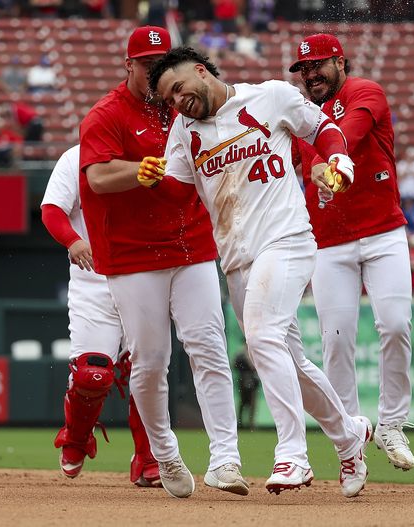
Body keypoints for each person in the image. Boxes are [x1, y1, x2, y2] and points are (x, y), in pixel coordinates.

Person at [145, 46, 372, 498]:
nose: (177, 101)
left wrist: (337, 159)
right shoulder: (183, 132)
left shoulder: (269, 96)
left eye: (178, 88)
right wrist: (151, 178)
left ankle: (293, 454)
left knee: (262, 338)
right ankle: (349, 437)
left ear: (200, 71)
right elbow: (177, 190)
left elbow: (323, 128)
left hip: (286, 238)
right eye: (168, 99)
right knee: (293, 360)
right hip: (236, 260)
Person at [78, 26, 247, 499]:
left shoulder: (186, 103)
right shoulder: (107, 114)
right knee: (150, 363)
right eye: (146, 63)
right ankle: (164, 452)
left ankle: (226, 458)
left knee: (209, 347)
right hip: (132, 255)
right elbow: (96, 178)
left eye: (161, 61)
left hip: (191, 242)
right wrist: (139, 171)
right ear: (128, 65)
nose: (155, 70)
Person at [290, 33, 414, 471]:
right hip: (329, 241)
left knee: (396, 325)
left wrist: (326, 161)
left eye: (319, 64)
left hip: (383, 231)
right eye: (304, 68)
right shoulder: (300, 112)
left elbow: (348, 135)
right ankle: (349, 437)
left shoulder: (364, 91)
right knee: (336, 341)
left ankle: (393, 423)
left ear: (341, 63)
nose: (311, 74)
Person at [40, 144, 161, 487]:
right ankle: (77, 438)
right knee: (92, 373)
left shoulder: (152, 152)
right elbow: (52, 210)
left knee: (147, 370)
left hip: (144, 275)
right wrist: (72, 240)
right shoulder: (75, 157)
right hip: (93, 277)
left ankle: (148, 457)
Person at [233, 349, 259, 431]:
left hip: (253, 380)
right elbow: (234, 365)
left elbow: (258, 367)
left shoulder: (254, 354)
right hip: (242, 380)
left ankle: (251, 424)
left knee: (252, 403)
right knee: (242, 403)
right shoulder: (240, 354)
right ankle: (239, 424)